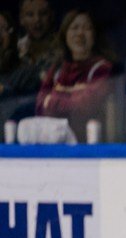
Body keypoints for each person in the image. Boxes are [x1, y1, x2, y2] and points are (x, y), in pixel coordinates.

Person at [34, 10, 113, 142]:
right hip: (54, 145)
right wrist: (74, 94)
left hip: (87, 148)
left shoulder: (102, 68)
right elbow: (39, 106)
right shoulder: (57, 68)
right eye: (74, 28)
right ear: (65, 34)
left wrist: (53, 99)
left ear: (94, 35)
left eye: (86, 28)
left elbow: (84, 107)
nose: (80, 33)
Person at [0, 9, 40, 126]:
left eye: (3, 29)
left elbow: (34, 104)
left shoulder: (28, 73)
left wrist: (5, 91)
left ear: (12, 35)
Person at [17, 0, 57, 78]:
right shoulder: (15, 50)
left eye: (43, 13)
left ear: (52, 16)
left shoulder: (66, 47)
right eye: (30, 14)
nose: (37, 19)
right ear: (21, 19)